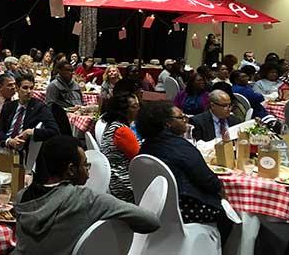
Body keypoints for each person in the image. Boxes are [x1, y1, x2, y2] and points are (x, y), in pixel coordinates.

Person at [14, 135, 159, 255]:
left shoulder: (22, 196)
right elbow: (151, 221)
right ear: (71, 169)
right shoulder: (86, 200)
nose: (88, 172)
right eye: (85, 165)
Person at [138, 101, 232, 242]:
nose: (185, 120)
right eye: (181, 118)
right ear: (167, 124)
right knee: (229, 214)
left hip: (156, 207)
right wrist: (221, 190)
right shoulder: (180, 147)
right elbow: (207, 180)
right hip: (186, 208)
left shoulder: (146, 146)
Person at [0, 74, 59, 161]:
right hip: (6, 145)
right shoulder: (8, 106)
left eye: (31, 88)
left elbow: (54, 131)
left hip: (25, 151)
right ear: (16, 88)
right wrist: (9, 141)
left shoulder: (40, 107)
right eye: (25, 88)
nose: (29, 91)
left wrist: (31, 132)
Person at [99, 93, 141, 203]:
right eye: (134, 107)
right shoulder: (122, 131)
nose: (138, 109)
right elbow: (140, 159)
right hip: (123, 184)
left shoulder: (113, 125)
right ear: (123, 110)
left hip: (113, 179)